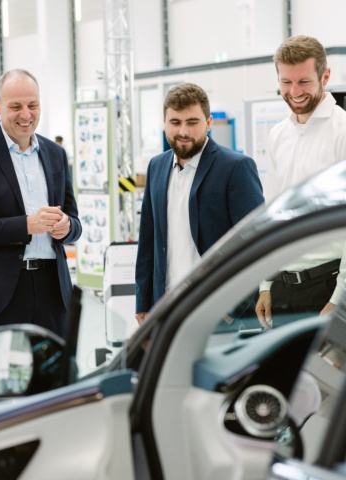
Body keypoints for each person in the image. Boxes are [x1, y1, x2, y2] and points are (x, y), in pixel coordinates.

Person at [0, 69, 82, 339]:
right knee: (2, 378)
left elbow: (75, 223)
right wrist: (26, 225)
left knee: (54, 376)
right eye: (16, 106)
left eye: (33, 105)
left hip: (52, 289)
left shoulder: (56, 154)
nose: (26, 114)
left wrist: (67, 227)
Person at [135, 83, 264, 324]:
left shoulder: (235, 167)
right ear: (164, 122)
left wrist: (235, 307)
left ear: (208, 122)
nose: (183, 131)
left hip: (217, 311)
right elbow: (148, 240)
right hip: (167, 307)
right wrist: (143, 302)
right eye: (175, 122)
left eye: (192, 122)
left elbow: (255, 242)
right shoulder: (157, 166)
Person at [256, 35, 346, 328]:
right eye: (286, 82)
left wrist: (339, 297)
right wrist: (265, 284)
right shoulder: (278, 135)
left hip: (328, 286)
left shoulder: (341, 130)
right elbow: (272, 210)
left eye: (304, 82)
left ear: (325, 76)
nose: (294, 92)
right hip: (283, 289)